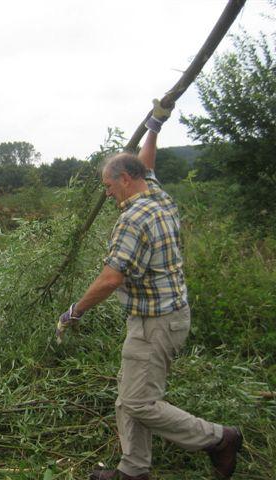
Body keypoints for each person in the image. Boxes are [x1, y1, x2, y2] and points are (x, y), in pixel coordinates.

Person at [55, 100, 242, 480]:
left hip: (155, 325)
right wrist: (154, 126)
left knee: (139, 401)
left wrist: (74, 311)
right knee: (128, 398)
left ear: (125, 179)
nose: (106, 193)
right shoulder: (156, 194)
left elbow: (111, 278)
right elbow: (146, 161)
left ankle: (219, 439)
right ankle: (134, 470)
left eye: (108, 185)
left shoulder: (133, 219)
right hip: (163, 319)